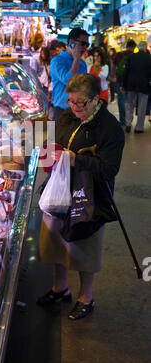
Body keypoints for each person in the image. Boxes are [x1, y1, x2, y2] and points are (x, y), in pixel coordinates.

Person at [37, 73, 125, 320]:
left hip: (90, 198)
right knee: (55, 240)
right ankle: (60, 288)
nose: (75, 107)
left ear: (96, 99)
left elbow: (109, 169)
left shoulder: (110, 128)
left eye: (80, 103)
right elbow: (52, 139)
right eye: (71, 101)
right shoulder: (67, 115)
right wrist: (47, 148)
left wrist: (77, 160)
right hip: (59, 190)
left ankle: (86, 296)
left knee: (83, 247)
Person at [50, 28, 89, 121]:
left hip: (79, 111)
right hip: (61, 111)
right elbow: (69, 81)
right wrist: (76, 59)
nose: (85, 48)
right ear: (71, 42)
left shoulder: (82, 63)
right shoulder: (56, 61)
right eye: (82, 44)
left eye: (87, 45)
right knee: (55, 135)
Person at [121, 40, 151, 133]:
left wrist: (123, 85)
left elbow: (126, 72)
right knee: (142, 106)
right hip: (144, 85)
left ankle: (128, 124)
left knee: (129, 105)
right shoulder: (149, 58)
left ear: (138, 47)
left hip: (131, 85)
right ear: (145, 48)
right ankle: (139, 127)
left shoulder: (131, 56)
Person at [113, 39, 137, 128]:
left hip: (119, 80)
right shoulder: (134, 55)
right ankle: (128, 122)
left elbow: (113, 64)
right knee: (130, 102)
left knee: (121, 100)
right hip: (130, 82)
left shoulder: (119, 54)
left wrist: (113, 75)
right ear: (134, 47)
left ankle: (122, 121)